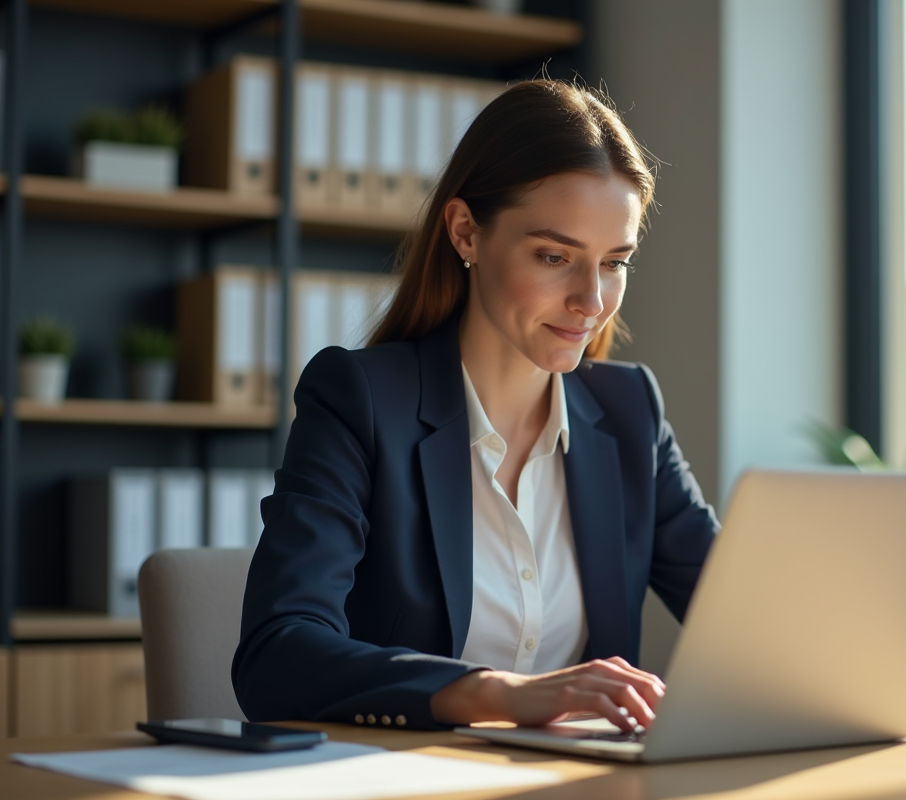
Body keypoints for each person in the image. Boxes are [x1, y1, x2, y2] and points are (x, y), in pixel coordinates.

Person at [232, 79, 719, 733]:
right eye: (555, 256)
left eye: (614, 262)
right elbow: (277, 655)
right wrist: (497, 694)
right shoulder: (362, 401)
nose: (591, 301)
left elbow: (745, 620)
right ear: (466, 232)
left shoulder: (631, 411)